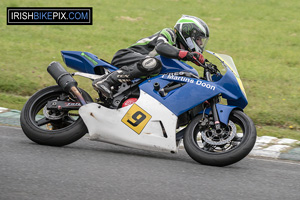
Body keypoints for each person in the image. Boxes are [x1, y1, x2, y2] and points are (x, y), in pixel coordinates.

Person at [93, 15, 210, 98]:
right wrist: (187, 55)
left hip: (142, 68)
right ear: (188, 33)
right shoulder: (169, 33)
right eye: (198, 38)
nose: (200, 43)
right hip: (126, 57)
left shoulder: (178, 55)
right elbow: (161, 47)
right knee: (154, 63)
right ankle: (105, 81)